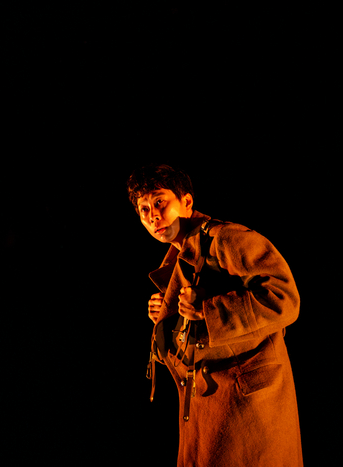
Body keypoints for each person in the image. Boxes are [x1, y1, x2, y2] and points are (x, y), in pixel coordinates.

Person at [127, 164, 303, 467]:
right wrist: (169, 317)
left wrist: (207, 310)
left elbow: (284, 298)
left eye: (160, 202)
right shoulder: (181, 252)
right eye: (144, 209)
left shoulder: (224, 238)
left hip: (247, 411)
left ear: (187, 202)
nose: (153, 215)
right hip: (211, 407)